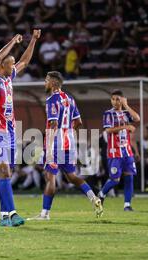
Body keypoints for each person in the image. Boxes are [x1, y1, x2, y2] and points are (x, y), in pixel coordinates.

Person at [0, 30, 41, 227]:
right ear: (2, 66)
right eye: (11, 63)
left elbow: (25, 61)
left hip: (9, 131)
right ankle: (13, 213)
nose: (14, 66)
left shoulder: (8, 78)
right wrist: (13, 41)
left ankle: (3, 216)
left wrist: (32, 40)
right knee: (5, 170)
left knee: (5, 173)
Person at [28, 71, 103, 221]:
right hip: (69, 142)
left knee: (50, 177)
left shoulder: (51, 100)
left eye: (46, 80)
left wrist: (48, 149)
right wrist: (68, 132)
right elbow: (78, 122)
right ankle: (94, 198)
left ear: (53, 83)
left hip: (56, 143)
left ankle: (45, 214)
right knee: (72, 176)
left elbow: (53, 125)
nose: (44, 83)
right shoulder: (70, 99)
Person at [97, 90, 140, 211]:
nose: (115, 102)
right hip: (114, 151)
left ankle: (127, 205)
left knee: (129, 177)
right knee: (115, 179)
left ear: (122, 99)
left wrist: (126, 105)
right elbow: (108, 130)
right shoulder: (108, 114)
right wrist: (126, 127)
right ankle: (101, 195)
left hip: (127, 151)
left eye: (117, 99)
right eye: (113, 99)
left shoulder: (126, 113)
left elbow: (137, 118)